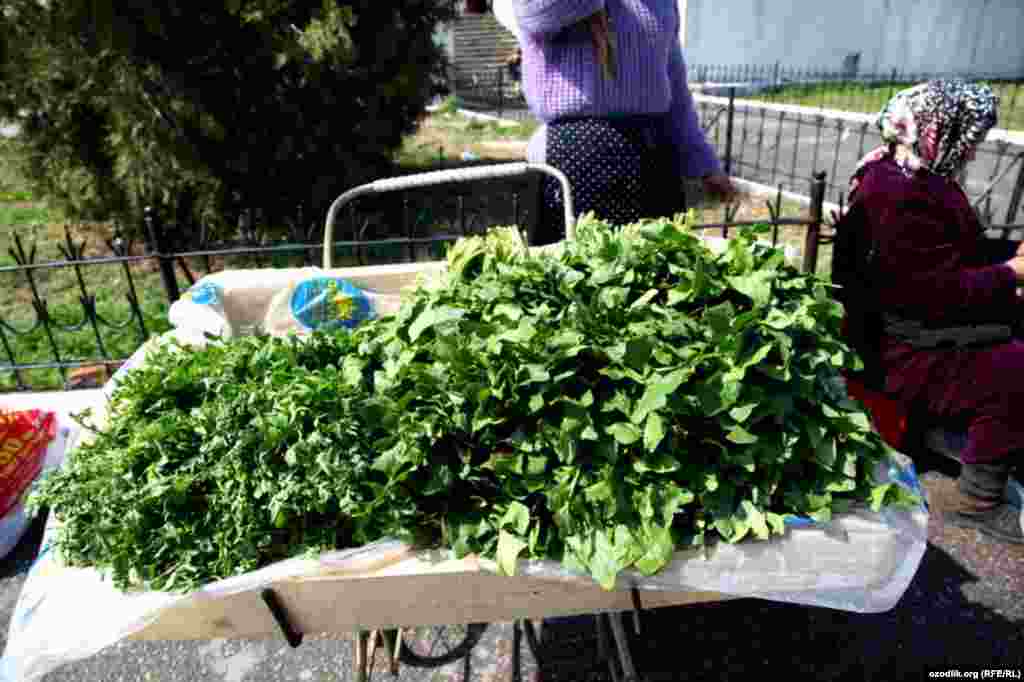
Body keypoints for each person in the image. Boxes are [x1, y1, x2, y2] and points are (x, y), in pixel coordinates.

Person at [839, 79, 1023, 544]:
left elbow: (949, 255)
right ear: (944, 130)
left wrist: (1007, 258)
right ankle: (979, 500)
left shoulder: (908, 173)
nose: (975, 150)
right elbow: (930, 291)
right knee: (1014, 368)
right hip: (902, 347)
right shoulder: (901, 194)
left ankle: (978, 441)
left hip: (913, 327)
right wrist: (1011, 274)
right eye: (972, 139)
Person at [510, 1, 735, 245]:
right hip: (574, 156)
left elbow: (674, 86)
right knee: (575, 271)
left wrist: (703, 162)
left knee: (657, 271)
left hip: (653, 156)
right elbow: (535, 11)